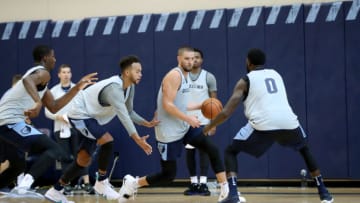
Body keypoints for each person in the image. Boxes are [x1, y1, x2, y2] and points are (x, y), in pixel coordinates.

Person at [203, 48, 334, 203]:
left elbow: (226, 113)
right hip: (289, 122)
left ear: (248, 62)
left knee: (230, 151)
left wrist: (209, 126)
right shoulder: (276, 74)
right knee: (304, 149)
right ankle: (324, 193)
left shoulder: (245, 80)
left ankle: (233, 195)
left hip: (263, 124)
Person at [119, 47, 231, 203]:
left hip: (183, 127)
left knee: (212, 148)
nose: (190, 62)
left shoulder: (186, 76)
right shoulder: (174, 76)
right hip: (168, 132)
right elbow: (167, 105)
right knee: (168, 175)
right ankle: (133, 183)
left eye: (193, 59)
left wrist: (201, 106)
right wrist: (189, 118)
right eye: (187, 59)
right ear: (179, 59)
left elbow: (182, 103)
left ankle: (226, 191)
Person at [44, 55, 159, 203]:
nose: (141, 74)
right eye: (137, 71)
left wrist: (146, 123)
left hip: (92, 118)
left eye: (141, 71)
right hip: (79, 114)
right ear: (127, 73)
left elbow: (129, 111)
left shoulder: (129, 87)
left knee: (83, 160)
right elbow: (123, 115)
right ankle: (102, 181)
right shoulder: (114, 89)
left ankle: (56, 190)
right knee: (107, 141)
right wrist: (137, 138)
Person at [0, 45, 97, 197]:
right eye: (53, 56)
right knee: (54, 149)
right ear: (45, 58)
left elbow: (54, 106)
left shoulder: (42, 83)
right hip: (9, 121)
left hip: (7, 123)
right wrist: (38, 102)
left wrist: (78, 87)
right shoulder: (42, 72)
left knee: (18, 166)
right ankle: (23, 187)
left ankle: (17, 185)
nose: (55, 59)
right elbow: (27, 80)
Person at [44, 64, 93, 194]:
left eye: (68, 72)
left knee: (82, 154)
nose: (66, 74)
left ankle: (86, 183)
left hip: (77, 127)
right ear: (59, 75)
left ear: (71, 74)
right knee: (65, 156)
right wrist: (58, 116)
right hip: (60, 128)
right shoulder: (53, 91)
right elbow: (47, 112)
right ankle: (66, 184)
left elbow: (84, 106)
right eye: (63, 72)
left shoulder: (78, 89)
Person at [183, 48, 217, 196]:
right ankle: (193, 184)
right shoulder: (182, 76)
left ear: (201, 60)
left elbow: (214, 102)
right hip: (188, 121)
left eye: (197, 57)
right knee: (190, 153)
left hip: (204, 122)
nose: (194, 60)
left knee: (204, 152)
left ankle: (203, 184)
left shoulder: (209, 77)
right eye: (191, 58)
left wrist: (213, 123)